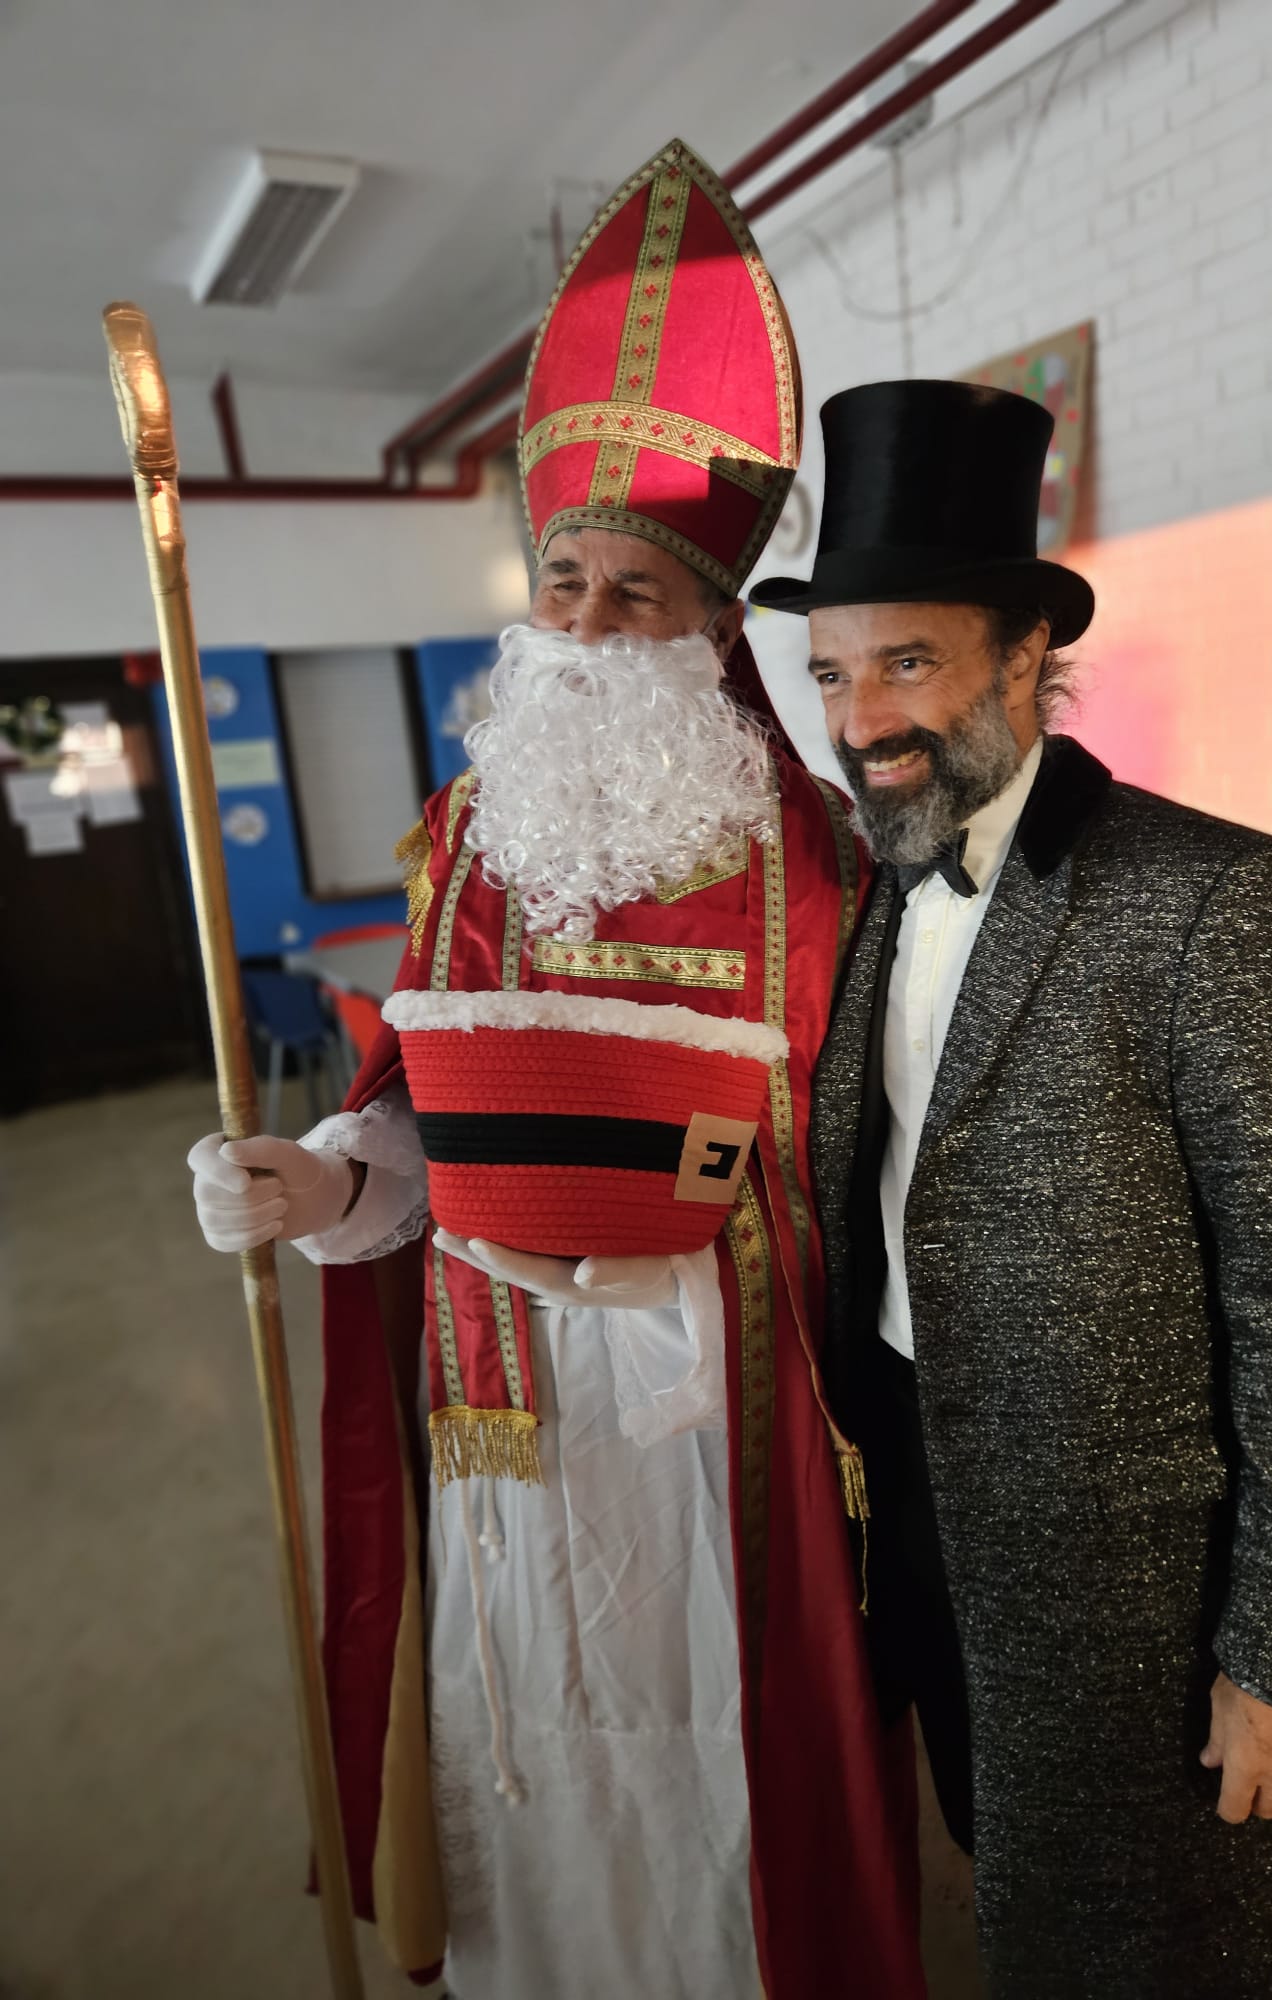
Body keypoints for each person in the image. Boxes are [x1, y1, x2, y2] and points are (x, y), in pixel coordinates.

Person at [186, 145, 926, 2000]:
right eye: (566, 582)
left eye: (639, 594)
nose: (586, 627)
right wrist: (325, 1179)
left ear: (717, 626)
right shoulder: (469, 832)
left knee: (709, 1762)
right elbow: (416, 1106)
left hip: (717, 1418)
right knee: (524, 1740)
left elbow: (870, 1167)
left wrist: (690, 1260)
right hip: (502, 1408)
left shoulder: (817, 859)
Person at [750, 377, 1272, 1998]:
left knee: (1201, 1953)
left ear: (1027, 654)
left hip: (1150, 1598)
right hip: (932, 1537)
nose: (860, 719)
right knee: (1024, 1904)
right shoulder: (872, 884)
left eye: (908, 662)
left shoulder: (1216, 901)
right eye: (829, 671)